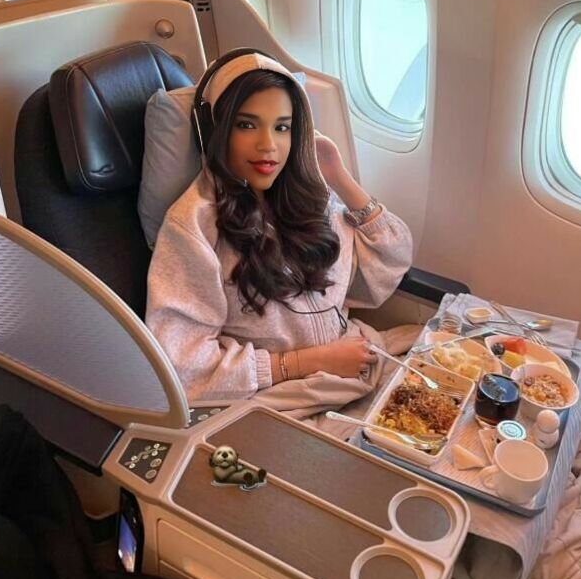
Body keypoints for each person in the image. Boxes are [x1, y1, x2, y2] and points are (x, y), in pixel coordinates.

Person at [146, 49, 415, 426]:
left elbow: (392, 263)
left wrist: (338, 177)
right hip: (278, 402)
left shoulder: (307, 197)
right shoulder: (193, 225)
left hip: (355, 363)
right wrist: (309, 361)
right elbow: (183, 365)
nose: (268, 145)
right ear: (216, 131)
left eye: (282, 127)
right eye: (247, 125)